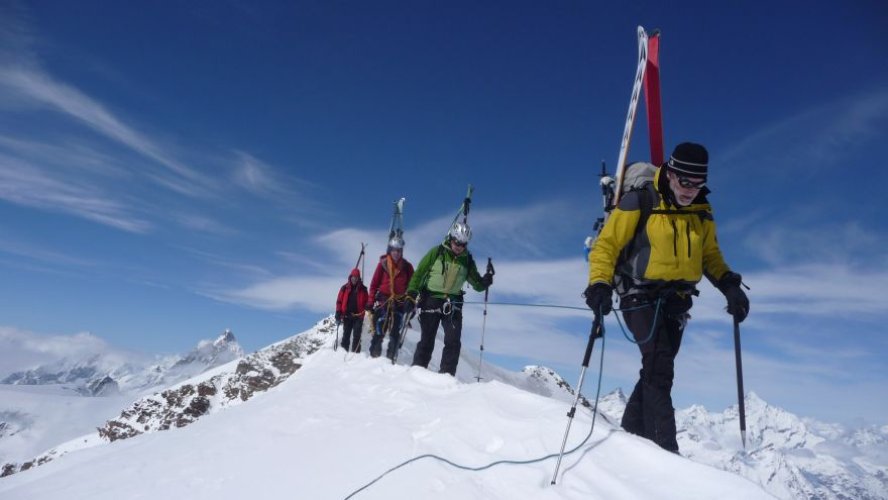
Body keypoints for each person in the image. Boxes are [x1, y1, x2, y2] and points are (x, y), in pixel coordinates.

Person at [584, 142, 749, 453]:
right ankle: (666, 456)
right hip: (638, 294)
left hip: (676, 301)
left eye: (698, 184)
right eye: (685, 182)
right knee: (660, 367)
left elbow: (709, 254)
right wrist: (599, 285)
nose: (690, 190)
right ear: (670, 174)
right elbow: (605, 247)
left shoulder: (702, 210)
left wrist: (729, 284)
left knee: (654, 369)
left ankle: (630, 437)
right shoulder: (640, 200)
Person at [406, 222, 493, 376]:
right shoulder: (437, 252)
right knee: (427, 339)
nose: (459, 246)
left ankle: (446, 376)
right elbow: (419, 273)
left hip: (453, 303)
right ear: (451, 238)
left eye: (463, 244)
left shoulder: (467, 260)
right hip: (430, 299)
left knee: (453, 342)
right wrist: (411, 293)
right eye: (456, 242)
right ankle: (417, 373)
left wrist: (485, 281)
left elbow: (477, 284)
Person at [366, 237, 415, 360]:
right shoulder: (382, 265)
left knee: (395, 332)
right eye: (394, 250)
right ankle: (374, 357)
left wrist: (412, 302)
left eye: (399, 250)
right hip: (383, 301)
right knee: (379, 330)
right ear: (390, 250)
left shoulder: (407, 267)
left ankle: (390, 360)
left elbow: (413, 286)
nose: (396, 253)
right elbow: (374, 285)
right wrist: (370, 301)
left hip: (399, 303)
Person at [335, 268, 369, 352]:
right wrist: (338, 312)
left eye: (356, 277)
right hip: (347, 315)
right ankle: (342, 353)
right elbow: (339, 301)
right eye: (353, 277)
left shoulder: (363, 289)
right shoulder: (344, 288)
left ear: (358, 278)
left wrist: (369, 306)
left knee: (357, 336)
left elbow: (367, 301)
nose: (354, 279)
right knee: (346, 335)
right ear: (350, 277)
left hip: (358, 316)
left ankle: (356, 355)